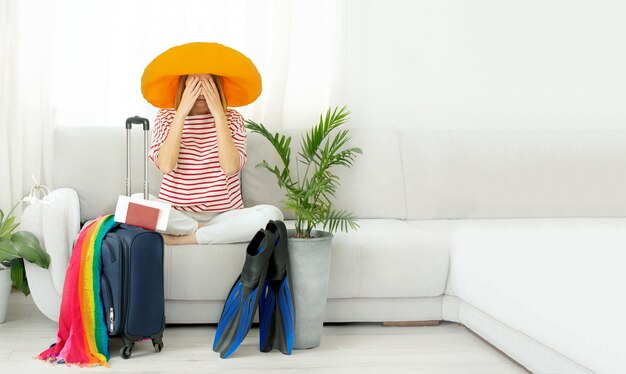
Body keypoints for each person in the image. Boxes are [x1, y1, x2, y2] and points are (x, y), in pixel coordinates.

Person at [139, 43, 283, 245]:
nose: (201, 91)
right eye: (194, 84)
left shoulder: (232, 119)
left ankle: (184, 239)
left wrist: (218, 115)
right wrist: (180, 113)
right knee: (135, 203)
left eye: (207, 85)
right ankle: (204, 231)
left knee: (272, 215)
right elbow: (166, 165)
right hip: (176, 214)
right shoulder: (166, 117)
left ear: (218, 88)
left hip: (224, 214)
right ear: (183, 86)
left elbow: (230, 167)